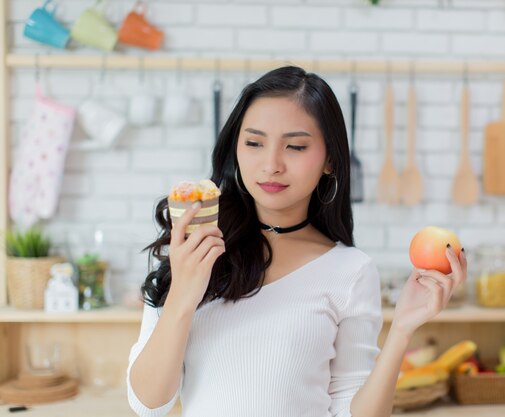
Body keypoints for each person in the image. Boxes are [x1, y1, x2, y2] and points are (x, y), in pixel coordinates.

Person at [127, 66, 467, 417]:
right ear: (236, 149)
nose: (271, 165)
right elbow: (148, 404)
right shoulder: (193, 250)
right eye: (255, 143)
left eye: (295, 146)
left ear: (330, 160)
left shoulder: (350, 271)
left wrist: (402, 329)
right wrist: (184, 293)